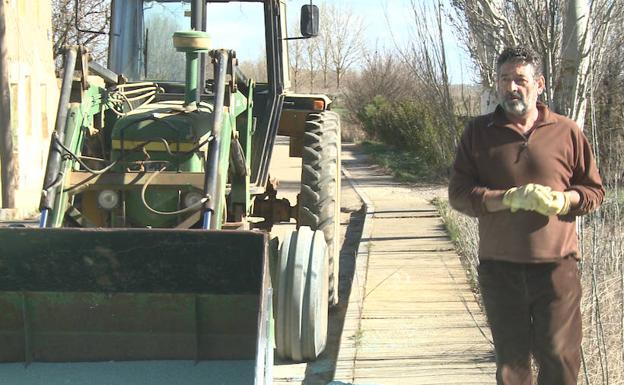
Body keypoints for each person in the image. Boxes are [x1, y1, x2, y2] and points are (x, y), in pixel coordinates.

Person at [448, 45, 604, 385]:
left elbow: (595, 191)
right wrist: (508, 199)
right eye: (504, 80)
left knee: (560, 359)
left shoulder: (567, 132)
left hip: (557, 267)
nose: (511, 87)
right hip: (499, 269)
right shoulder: (478, 133)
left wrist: (565, 201)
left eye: (520, 79)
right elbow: (458, 196)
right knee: (512, 367)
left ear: (540, 84)